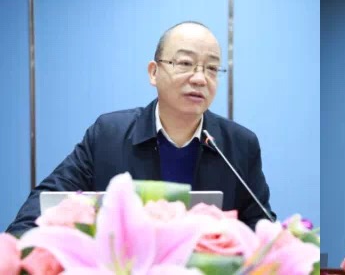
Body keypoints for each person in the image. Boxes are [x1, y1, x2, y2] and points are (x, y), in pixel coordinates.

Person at [7, 21, 274, 236]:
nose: (200, 78)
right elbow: (46, 203)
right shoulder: (108, 135)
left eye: (212, 68)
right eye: (185, 63)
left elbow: (261, 226)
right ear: (153, 72)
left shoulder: (239, 144)